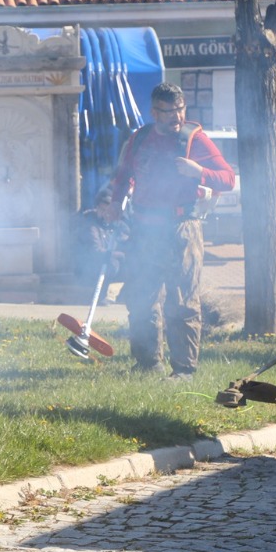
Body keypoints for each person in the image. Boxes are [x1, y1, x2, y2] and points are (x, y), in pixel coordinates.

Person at [96, 82, 235, 379]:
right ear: (154, 112)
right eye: (169, 111)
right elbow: (123, 176)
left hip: (181, 229)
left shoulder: (194, 140)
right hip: (144, 229)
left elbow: (228, 178)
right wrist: (116, 203)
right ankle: (148, 363)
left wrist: (199, 172)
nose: (177, 117)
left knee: (182, 302)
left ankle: (184, 369)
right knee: (141, 297)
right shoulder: (140, 138)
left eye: (180, 109)